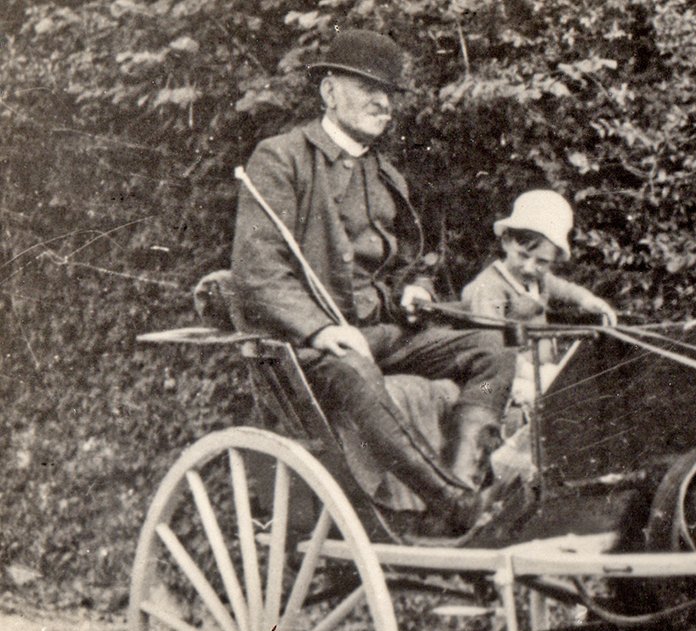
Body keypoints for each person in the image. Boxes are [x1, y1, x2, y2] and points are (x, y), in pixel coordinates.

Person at [230, 28, 515, 534]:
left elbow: (407, 261)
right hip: (313, 349)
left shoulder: (387, 176)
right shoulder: (281, 159)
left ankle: (465, 491)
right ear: (330, 91)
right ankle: (450, 501)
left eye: (389, 93)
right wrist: (319, 330)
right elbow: (258, 271)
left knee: (492, 350)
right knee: (354, 367)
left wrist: (414, 288)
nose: (383, 103)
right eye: (368, 88)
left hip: (383, 334)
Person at [459, 190, 616, 490]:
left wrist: (589, 300)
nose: (531, 267)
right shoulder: (489, 289)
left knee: (574, 394)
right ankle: (515, 478)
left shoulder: (537, 280)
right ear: (506, 241)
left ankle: (570, 474)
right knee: (547, 403)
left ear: (554, 260)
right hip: (493, 378)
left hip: (535, 373)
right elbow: (489, 345)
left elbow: (563, 289)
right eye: (523, 256)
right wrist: (531, 376)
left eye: (542, 261)